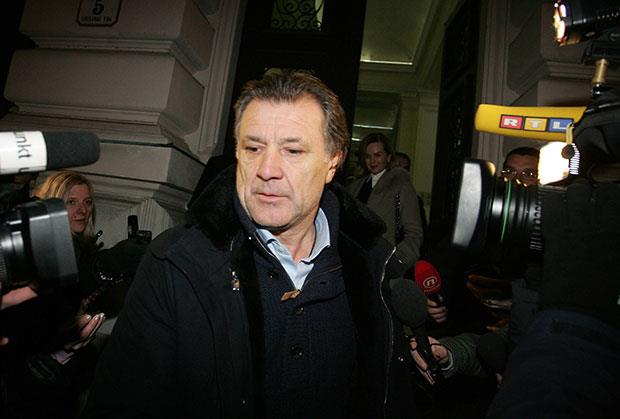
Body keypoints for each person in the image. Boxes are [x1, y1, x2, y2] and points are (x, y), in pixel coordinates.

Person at [83, 71, 417, 418]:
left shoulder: (374, 266)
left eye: (292, 150)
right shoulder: (176, 263)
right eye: (253, 148)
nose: (267, 169)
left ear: (332, 161)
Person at [0, 171, 145, 419]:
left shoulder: (79, 246)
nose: (82, 210)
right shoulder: (39, 249)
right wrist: (105, 267)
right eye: (71, 202)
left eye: (87, 202)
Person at [347, 134, 424, 274]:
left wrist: (397, 261)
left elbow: (414, 232)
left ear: (388, 157)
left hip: (384, 268)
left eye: (378, 155)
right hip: (354, 265)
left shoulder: (401, 185)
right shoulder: (356, 187)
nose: (372, 161)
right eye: (368, 156)